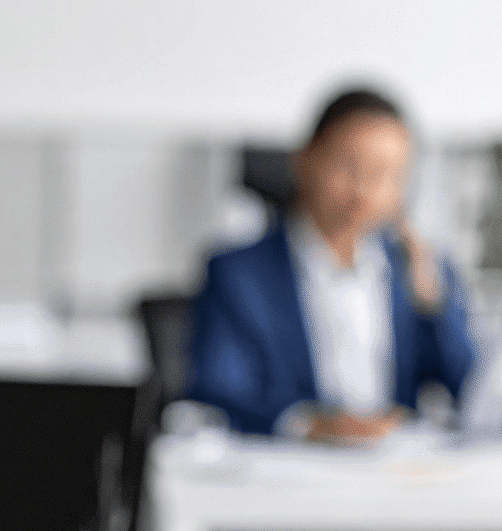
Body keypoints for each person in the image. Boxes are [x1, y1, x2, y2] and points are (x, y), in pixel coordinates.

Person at [185, 88, 475, 441]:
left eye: (386, 173)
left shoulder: (420, 268)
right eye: (349, 165)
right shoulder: (239, 272)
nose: (364, 188)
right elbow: (220, 387)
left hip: (394, 466)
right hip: (287, 466)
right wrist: (310, 425)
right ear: (305, 160)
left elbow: (467, 386)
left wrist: (435, 307)